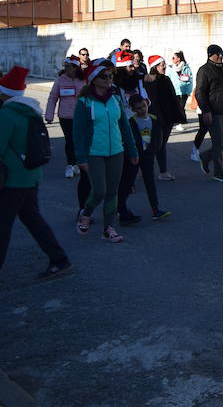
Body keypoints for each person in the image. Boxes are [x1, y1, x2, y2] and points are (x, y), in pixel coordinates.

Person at [0, 66, 72, 278]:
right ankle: (60, 259)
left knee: (3, 227)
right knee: (33, 219)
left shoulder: (6, 114)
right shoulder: (30, 111)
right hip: (31, 175)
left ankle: (60, 259)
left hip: (11, 180)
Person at [74, 61, 138, 243]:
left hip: (117, 151)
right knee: (100, 191)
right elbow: (78, 133)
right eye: (104, 76)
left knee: (112, 191)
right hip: (94, 153)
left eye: (111, 76)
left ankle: (108, 228)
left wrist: (132, 151)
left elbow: (124, 127)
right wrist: (81, 157)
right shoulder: (84, 102)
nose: (109, 79)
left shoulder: (115, 99)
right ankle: (85, 213)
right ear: (94, 79)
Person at [117, 95, 170, 223]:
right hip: (134, 156)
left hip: (148, 156)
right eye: (138, 108)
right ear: (133, 109)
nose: (142, 110)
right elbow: (129, 140)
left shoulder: (154, 120)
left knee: (150, 182)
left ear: (147, 103)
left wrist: (153, 150)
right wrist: (133, 153)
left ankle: (155, 209)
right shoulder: (131, 121)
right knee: (127, 183)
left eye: (143, 106)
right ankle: (119, 207)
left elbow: (158, 139)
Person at [195, 44, 223, 183]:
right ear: (211, 55)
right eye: (218, 54)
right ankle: (219, 172)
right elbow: (199, 92)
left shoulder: (221, 69)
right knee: (219, 143)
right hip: (213, 112)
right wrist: (206, 110)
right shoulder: (204, 70)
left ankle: (205, 157)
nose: (221, 56)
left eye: (222, 53)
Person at [143, 55, 185, 182]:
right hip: (154, 118)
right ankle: (146, 171)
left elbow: (173, 98)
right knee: (153, 145)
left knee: (161, 145)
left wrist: (178, 114)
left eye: (164, 64)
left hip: (167, 117)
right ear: (154, 67)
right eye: (161, 64)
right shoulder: (148, 80)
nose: (164, 66)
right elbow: (151, 101)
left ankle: (163, 171)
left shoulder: (166, 79)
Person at [44, 55, 85, 178]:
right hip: (65, 116)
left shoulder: (83, 80)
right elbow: (53, 98)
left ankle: (77, 164)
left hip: (80, 115)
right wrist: (49, 115)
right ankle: (70, 165)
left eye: (68, 66)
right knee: (69, 140)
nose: (66, 69)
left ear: (75, 68)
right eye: (65, 66)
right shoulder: (60, 80)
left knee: (79, 140)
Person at [112, 51, 148, 118]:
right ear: (122, 68)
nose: (133, 68)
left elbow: (146, 99)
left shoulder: (138, 80)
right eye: (130, 66)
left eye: (133, 66)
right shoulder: (114, 85)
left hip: (140, 119)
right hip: (124, 119)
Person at [167, 51, 192, 132]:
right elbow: (168, 78)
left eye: (174, 57)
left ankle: (179, 123)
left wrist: (188, 90)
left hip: (184, 91)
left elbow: (189, 79)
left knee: (181, 107)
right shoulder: (170, 68)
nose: (172, 59)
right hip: (174, 90)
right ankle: (176, 122)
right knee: (176, 107)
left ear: (178, 58)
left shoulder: (186, 67)